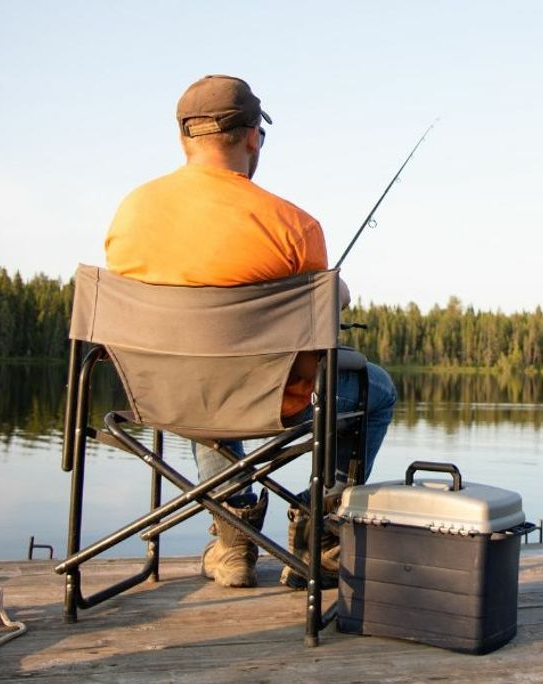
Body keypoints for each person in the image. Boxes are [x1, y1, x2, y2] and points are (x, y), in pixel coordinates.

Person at [104, 75, 396, 589]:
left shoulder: (131, 212)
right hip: (268, 397)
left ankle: (233, 540)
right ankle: (317, 529)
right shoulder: (293, 225)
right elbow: (323, 315)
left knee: (201, 381)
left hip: (160, 393)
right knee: (377, 389)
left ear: (182, 139)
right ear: (253, 137)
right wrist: (339, 291)